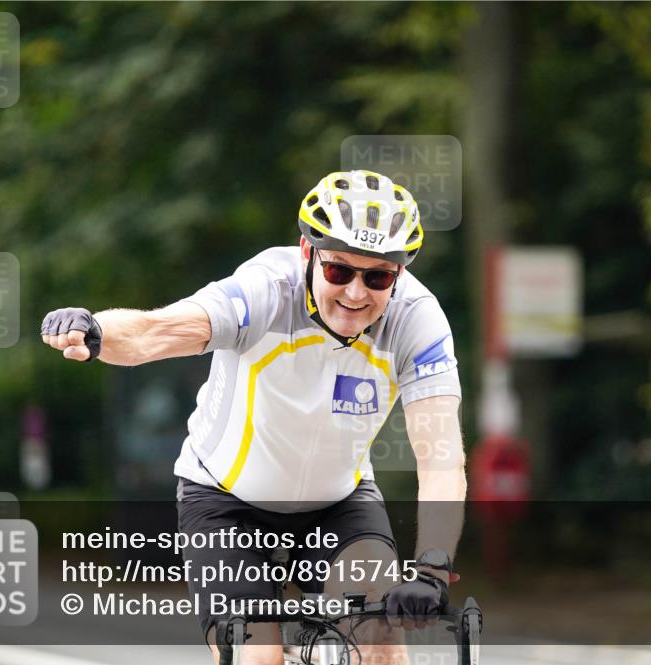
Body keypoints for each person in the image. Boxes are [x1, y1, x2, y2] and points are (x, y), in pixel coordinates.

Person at [41, 170, 466, 665]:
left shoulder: (417, 319)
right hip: (225, 502)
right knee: (259, 656)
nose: (355, 293)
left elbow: (441, 458)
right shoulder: (264, 289)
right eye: (338, 271)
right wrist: (94, 329)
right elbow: (156, 331)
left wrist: (432, 569)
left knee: (380, 637)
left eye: (378, 278)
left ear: (399, 276)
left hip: (338, 503)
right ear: (308, 253)